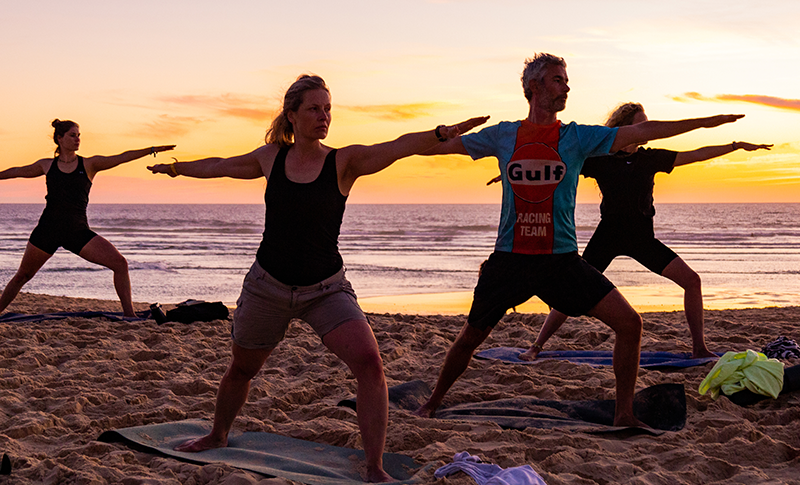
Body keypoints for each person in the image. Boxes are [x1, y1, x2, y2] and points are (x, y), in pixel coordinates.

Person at [148, 74, 487, 483]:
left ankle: (374, 466)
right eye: (314, 108)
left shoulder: (344, 161)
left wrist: (438, 133)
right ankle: (218, 433)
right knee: (242, 369)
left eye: (328, 108)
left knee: (369, 362)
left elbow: (396, 148)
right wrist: (176, 169)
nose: (324, 116)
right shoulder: (271, 157)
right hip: (267, 286)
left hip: (326, 289)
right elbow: (220, 166)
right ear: (292, 115)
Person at [413, 53, 745, 427]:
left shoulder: (576, 137)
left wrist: (706, 122)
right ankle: (433, 402)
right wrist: (444, 132)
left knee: (630, 324)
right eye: (558, 80)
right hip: (511, 259)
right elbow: (434, 149)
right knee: (469, 338)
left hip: (561, 261)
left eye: (567, 80)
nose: (566, 86)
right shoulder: (504, 135)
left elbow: (642, 133)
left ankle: (623, 414)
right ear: (534, 86)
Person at [519, 103, 772, 361]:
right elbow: (559, 164)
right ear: (626, 127)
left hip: (642, 239)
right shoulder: (600, 159)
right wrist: (518, 175)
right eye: (641, 124)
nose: (647, 129)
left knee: (692, 281)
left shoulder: (650, 158)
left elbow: (695, 154)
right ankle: (535, 347)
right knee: (572, 291)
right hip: (608, 236)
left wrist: (734, 146)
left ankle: (699, 347)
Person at [0, 119, 174, 317]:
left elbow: (121, 157)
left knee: (120, 264)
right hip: (48, 229)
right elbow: (16, 172)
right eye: (72, 135)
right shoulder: (46, 165)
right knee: (23, 275)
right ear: (60, 138)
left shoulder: (90, 164)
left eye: (79, 135)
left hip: (77, 232)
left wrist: (150, 149)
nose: (77, 139)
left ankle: (129, 315)